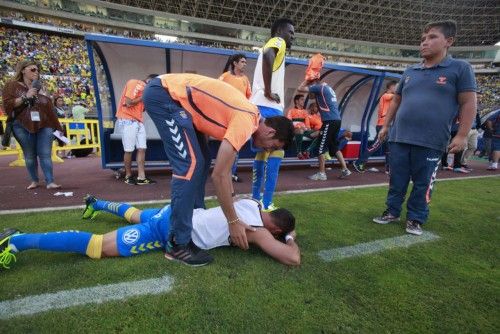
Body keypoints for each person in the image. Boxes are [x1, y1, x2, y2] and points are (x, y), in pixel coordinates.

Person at [142, 73, 294, 266]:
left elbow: (225, 167)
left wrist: (231, 197)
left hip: (173, 98)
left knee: (203, 160)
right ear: (271, 132)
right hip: (164, 95)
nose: (268, 149)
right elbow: (220, 175)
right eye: (273, 146)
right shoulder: (247, 121)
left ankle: (193, 214)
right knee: (191, 163)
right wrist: (233, 221)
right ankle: (178, 244)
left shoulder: (251, 116)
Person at [373, 20, 477, 236]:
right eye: (422, 39)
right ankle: (391, 212)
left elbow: (468, 102)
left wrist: (462, 134)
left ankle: (415, 218)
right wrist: (385, 126)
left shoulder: (460, 68)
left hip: (431, 139)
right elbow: (396, 100)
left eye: (431, 38)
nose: (424, 43)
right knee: (396, 179)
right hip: (399, 136)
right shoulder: (410, 70)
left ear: (448, 41)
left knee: (423, 183)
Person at [0, 195, 300, 269]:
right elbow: (292, 259)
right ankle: (16, 240)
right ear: (275, 228)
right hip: (172, 231)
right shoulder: (261, 231)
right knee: (98, 247)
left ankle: (97, 203)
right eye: (277, 233)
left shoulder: (250, 203)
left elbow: (233, 200)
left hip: (175, 213)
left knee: (138, 216)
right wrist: (289, 239)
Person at [250, 18, 295, 211]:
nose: (293, 36)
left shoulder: (273, 46)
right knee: (276, 153)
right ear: (279, 30)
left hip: (259, 106)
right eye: (291, 32)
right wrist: (269, 91)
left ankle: (254, 201)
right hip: (269, 106)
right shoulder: (278, 41)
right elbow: (269, 53)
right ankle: (267, 203)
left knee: (261, 155)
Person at [2, 59, 64, 190]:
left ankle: (50, 181)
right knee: (29, 155)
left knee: (45, 153)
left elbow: (49, 109)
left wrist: (58, 126)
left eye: (38, 70)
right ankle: (34, 180)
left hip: (45, 123)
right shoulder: (12, 86)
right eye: (33, 69)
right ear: (23, 70)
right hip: (21, 124)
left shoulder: (42, 87)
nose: (36, 72)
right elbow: (8, 106)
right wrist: (26, 96)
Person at [297, 60, 350, 181]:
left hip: (329, 121)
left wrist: (307, 79)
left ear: (313, 82)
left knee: (320, 147)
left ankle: (321, 173)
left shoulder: (318, 87)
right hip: (336, 120)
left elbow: (300, 88)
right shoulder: (326, 87)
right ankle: (345, 169)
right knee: (334, 146)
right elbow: (311, 96)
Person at [116, 74, 158, 185]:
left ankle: (141, 177)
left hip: (138, 120)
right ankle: (128, 175)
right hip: (127, 119)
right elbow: (129, 102)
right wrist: (144, 96)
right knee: (129, 149)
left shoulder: (146, 91)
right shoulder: (135, 82)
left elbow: (142, 109)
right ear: (150, 81)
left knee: (142, 148)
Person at [219, 53, 252, 183]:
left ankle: (231, 173)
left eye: (245, 62)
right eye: (243, 62)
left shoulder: (245, 79)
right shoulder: (224, 77)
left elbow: (249, 97)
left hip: (239, 117)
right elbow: (216, 92)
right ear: (235, 63)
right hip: (225, 115)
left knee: (236, 146)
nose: (245, 64)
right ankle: (223, 173)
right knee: (226, 145)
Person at [353, 81, 398, 174]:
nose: (397, 89)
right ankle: (359, 162)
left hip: (387, 125)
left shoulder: (391, 97)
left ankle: (388, 168)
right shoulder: (386, 95)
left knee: (389, 148)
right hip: (382, 126)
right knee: (375, 146)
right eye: (396, 87)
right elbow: (397, 97)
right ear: (391, 87)